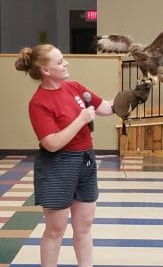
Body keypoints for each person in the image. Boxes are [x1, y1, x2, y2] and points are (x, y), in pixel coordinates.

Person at [15, 44, 114, 267]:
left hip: (85, 161)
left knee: (84, 225)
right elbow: (51, 144)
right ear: (45, 70)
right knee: (56, 229)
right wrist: (80, 119)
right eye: (59, 62)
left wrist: (129, 98)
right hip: (58, 165)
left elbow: (104, 107)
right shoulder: (38, 102)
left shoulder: (75, 87)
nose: (66, 63)